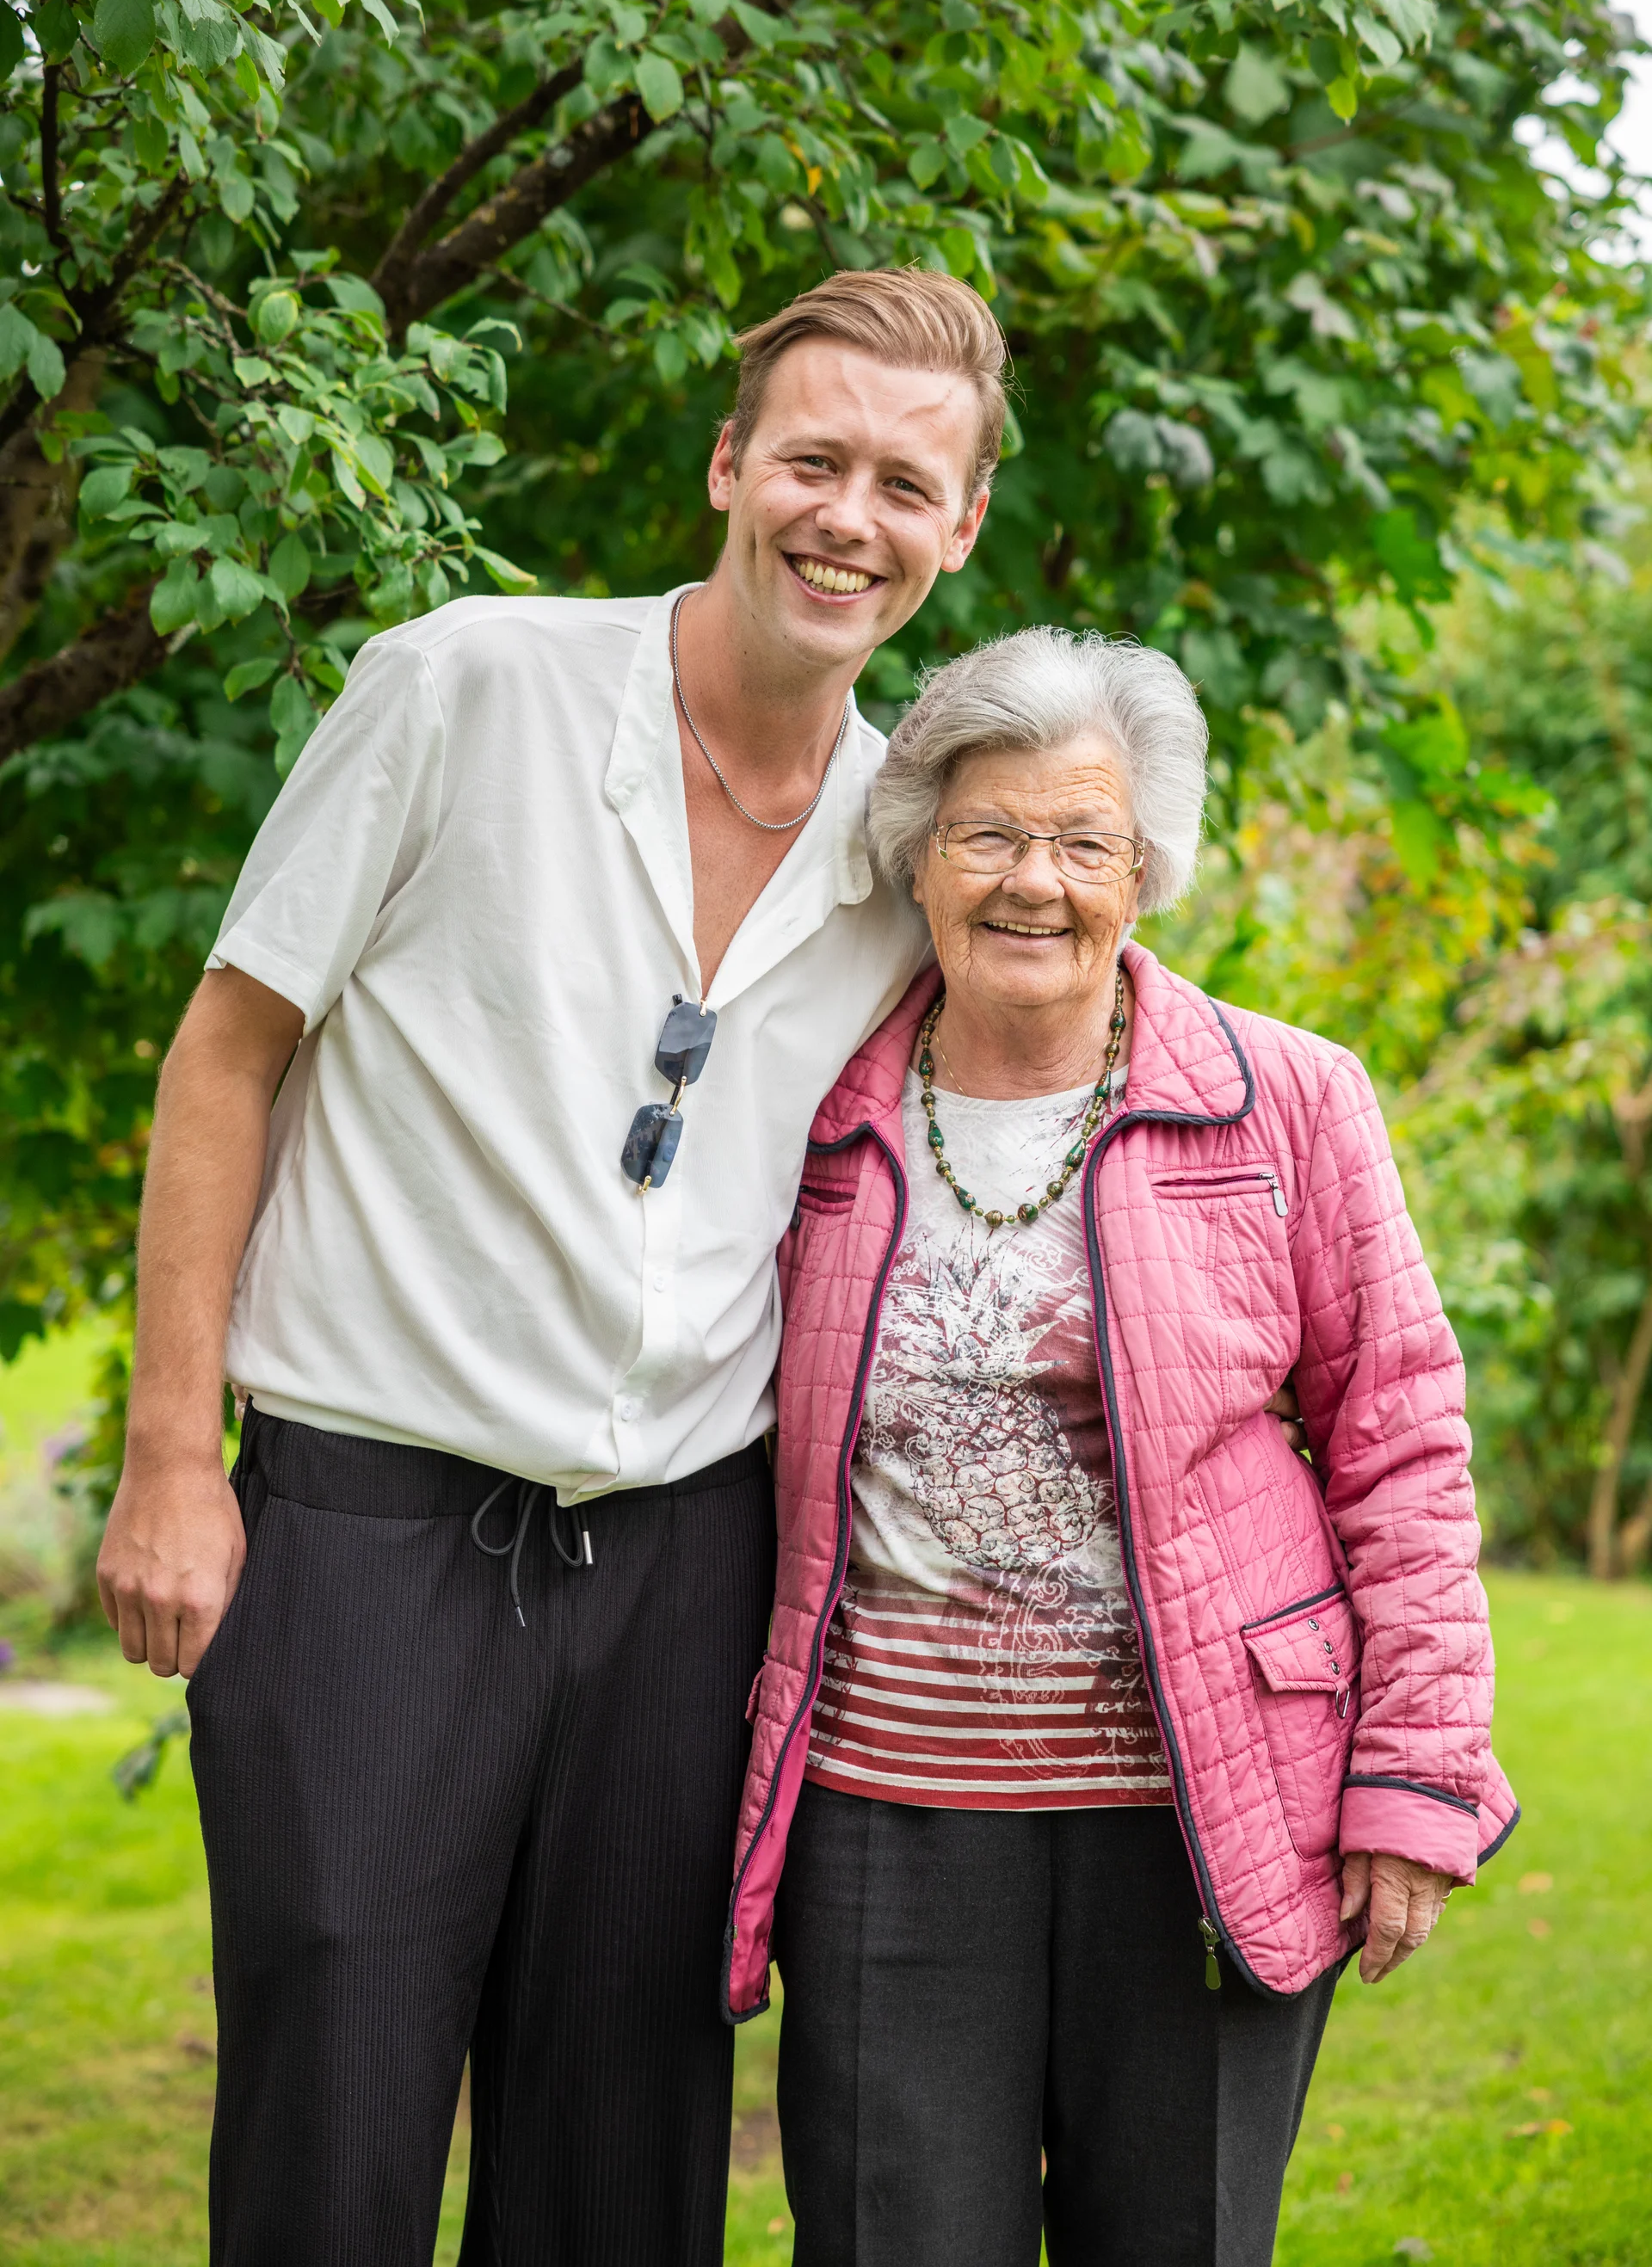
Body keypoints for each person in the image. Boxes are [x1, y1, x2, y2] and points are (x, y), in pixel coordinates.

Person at [94, 267, 1005, 2267]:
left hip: (687, 1570)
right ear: (727, 465)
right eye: (814, 459)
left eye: (906, 485)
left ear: (961, 529)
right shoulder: (462, 683)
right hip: (364, 1533)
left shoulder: (912, 838)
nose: (848, 515)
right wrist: (173, 1448)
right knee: (331, 2142)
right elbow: (225, 1053)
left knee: (623, 2163)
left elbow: (1072, 1017)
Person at [724, 628, 1519, 2267]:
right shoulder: (810, 1104)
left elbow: (1402, 1443)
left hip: (1202, 1818)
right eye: (990, 833)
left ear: (1145, 868)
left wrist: (1414, 1781)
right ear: (919, 856)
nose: (1036, 881)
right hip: (889, 1818)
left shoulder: (1289, 1100)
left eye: (1084, 840)